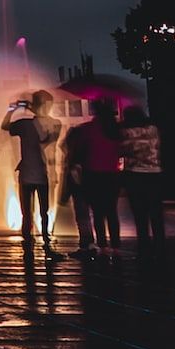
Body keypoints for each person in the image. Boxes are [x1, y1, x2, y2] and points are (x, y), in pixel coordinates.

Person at [1, 90, 65, 260]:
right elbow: (48, 143)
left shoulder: (24, 124)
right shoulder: (54, 124)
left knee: (28, 213)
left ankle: (28, 247)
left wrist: (12, 109)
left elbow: (5, 127)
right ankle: (45, 245)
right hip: (42, 174)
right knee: (43, 212)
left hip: (29, 173)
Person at [64, 97, 124, 259]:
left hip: (94, 174)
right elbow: (121, 151)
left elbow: (81, 149)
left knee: (98, 213)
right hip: (112, 175)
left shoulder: (89, 129)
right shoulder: (116, 130)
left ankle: (103, 245)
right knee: (112, 212)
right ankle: (116, 247)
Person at [118, 105, 165, 250]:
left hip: (135, 173)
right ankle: (159, 242)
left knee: (139, 212)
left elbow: (122, 150)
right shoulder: (153, 129)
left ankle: (143, 242)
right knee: (156, 211)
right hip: (155, 172)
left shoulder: (127, 132)